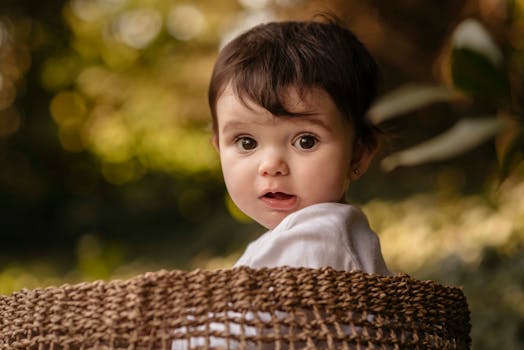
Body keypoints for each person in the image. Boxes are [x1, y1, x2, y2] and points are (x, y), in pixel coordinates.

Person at [209, 17, 391, 276]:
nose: (271, 166)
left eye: (306, 141)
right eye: (246, 142)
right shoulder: (333, 234)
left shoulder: (314, 241)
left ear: (358, 154)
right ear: (219, 149)